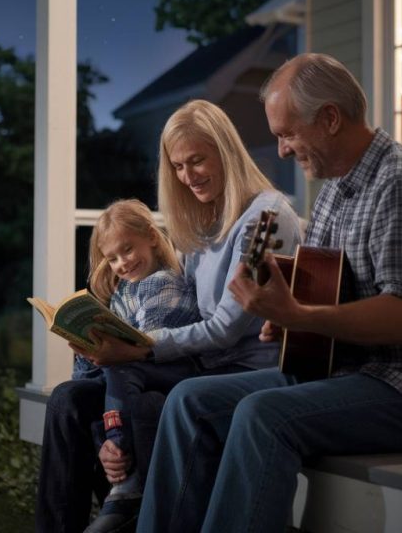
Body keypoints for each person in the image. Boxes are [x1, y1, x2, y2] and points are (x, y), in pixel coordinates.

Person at [135, 53, 402, 533]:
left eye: (286, 133)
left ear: (330, 119)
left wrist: (300, 313)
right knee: (188, 402)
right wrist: (286, 316)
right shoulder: (335, 195)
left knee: (262, 415)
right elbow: (321, 298)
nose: (280, 150)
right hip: (347, 375)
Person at [35, 99, 302, 533]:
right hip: (195, 364)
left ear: (226, 151)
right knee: (68, 400)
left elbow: (227, 326)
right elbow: (187, 308)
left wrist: (143, 347)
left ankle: (132, 505)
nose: (187, 176)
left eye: (197, 161)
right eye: (178, 166)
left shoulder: (267, 218)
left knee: (140, 383)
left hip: (237, 368)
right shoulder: (202, 223)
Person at [71, 199, 201, 526]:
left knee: (119, 366)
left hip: (175, 370)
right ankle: (116, 460)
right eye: (112, 258)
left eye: (128, 250)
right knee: (82, 389)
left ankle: (125, 480)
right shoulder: (122, 295)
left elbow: (142, 348)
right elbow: (96, 372)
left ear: (152, 237)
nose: (122, 263)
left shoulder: (165, 282)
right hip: (140, 376)